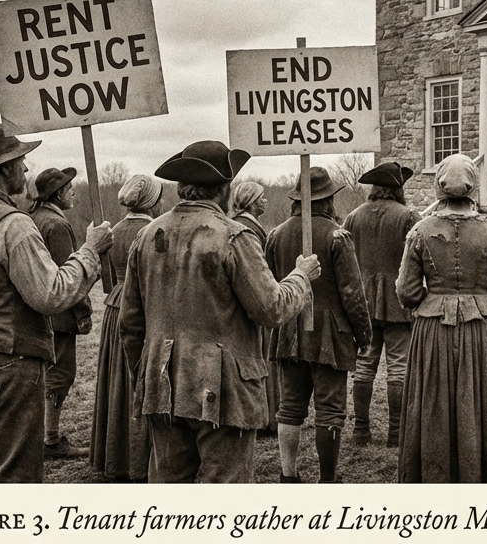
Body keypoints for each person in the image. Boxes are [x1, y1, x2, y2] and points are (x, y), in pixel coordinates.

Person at [119, 141, 318, 483]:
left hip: (161, 382)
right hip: (224, 390)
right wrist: (301, 277)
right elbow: (271, 309)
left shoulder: (147, 235)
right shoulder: (233, 236)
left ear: (183, 188)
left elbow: (130, 324)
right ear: (225, 189)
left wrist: (147, 374)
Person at [0, 124, 112, 483]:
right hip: (7, 362)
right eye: (21, 162)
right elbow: (50, 294)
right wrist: (91, 252)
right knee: (14, 477)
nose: (27, 170)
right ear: (3, 169)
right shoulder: (12, 223)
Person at [396, 153, 487, 482]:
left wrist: (435, 300)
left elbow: (407, 292)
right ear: (472, 187)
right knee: (484, 400)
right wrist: (480, 298)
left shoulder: (420, 231)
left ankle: (435, 476)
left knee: (433, 401)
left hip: (433, 331)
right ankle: (485, 474)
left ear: (439, 186)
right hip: (483, 329)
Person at [267, 167, 371, 483]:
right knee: (329, 410)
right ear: (327, 200)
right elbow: (352, 293)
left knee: (290, 407)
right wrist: (364, 333)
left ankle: (289, 476)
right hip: (331, 335)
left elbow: (273, 284)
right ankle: (326, 482)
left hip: (289, 330)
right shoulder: (338, 236)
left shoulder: (276, 235)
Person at [90, 173, 164, 482]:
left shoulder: (112, 231)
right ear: (152, 201)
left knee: (117, 383)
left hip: (115, 305)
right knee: (138, 381)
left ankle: (117, 454)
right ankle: (140, 459)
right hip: (143, 306)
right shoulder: (153, 231)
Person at [342, 162, 420, 448]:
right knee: (398, 367)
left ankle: (361, 430)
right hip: (399, 303)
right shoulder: (410, 216)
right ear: (397, 189)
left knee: (364, 366)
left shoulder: (352, 217)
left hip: (362, 304)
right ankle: (396, 433)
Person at [28, 166, 94, 459]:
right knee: (60, 375)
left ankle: (40, 436)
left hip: (37, 312)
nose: (74, 192)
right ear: (57, 193)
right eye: (70, 189)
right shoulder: (56, 225)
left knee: (43, 375)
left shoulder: (34, 218)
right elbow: (68, 273)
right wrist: (82, 312)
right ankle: (51, 441)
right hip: (60, 315)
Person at [228, 180, 280, 435]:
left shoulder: (245, 224)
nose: (266, 201)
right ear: (250, 200)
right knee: (260, 358)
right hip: (253, 303)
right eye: (262, 197)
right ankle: (265, 417)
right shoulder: (247, 228)